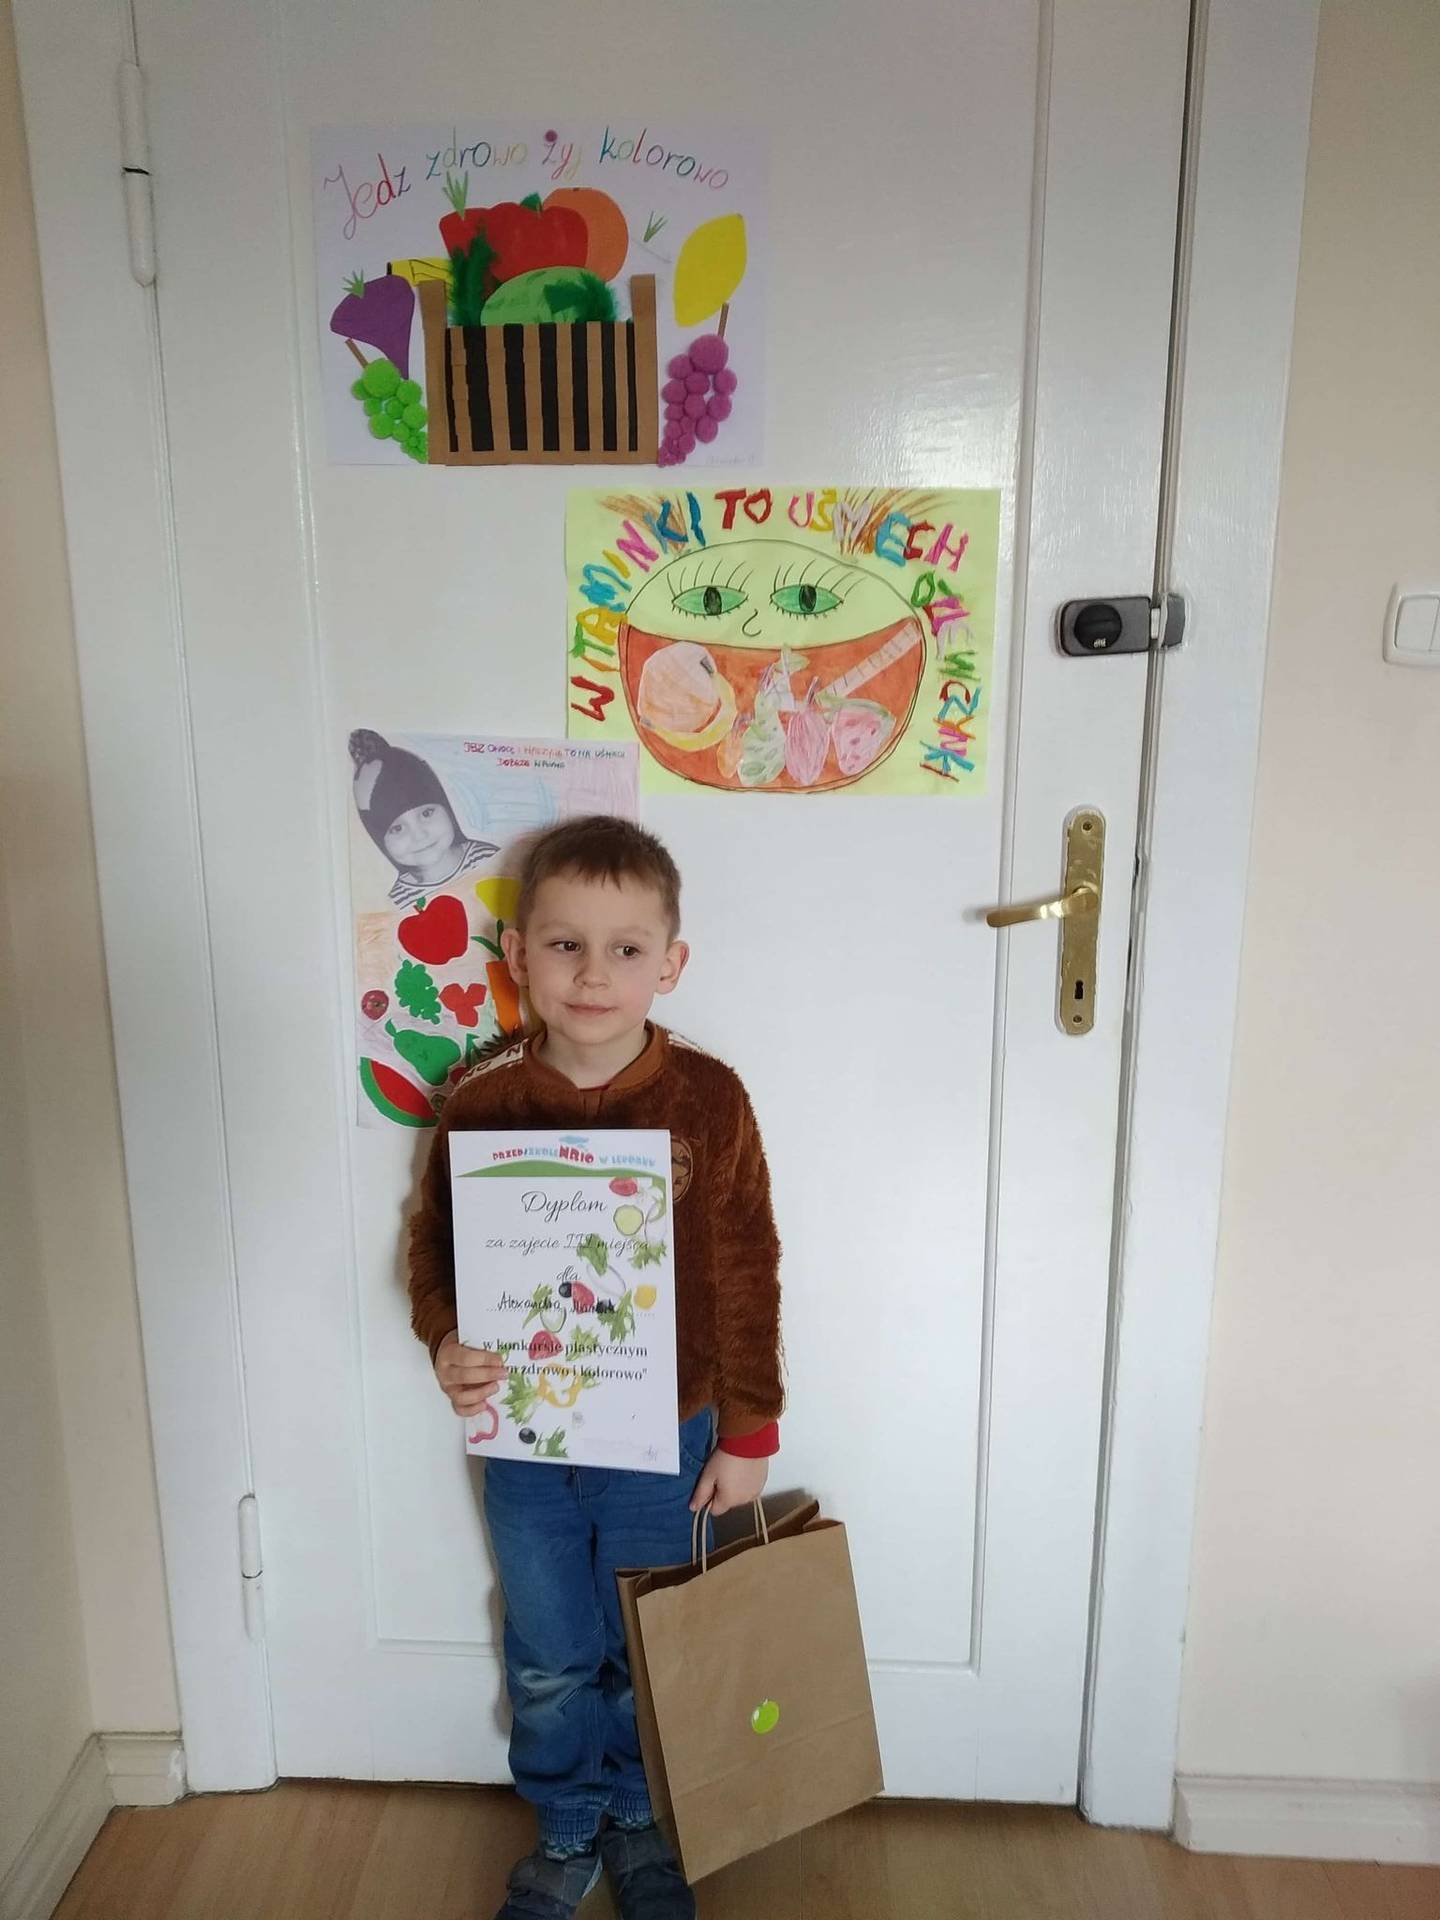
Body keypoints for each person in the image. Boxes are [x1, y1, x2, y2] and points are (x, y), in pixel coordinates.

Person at [407, 814, 784, 1920]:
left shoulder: (708, 1099)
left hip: (670, 1437)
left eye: (626, 949)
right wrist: (445, 1339)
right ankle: (566, 1823)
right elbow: (433, 1248)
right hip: (526, 1439)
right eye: (565, 944)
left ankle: (640, 1818)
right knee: (549, 1652)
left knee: (647, 1641)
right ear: (517, 956)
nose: (592, 974)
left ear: (671, 963)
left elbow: (748, 1264)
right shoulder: (483, 1100)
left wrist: (750, 1433)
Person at [349, 728, 498, 907]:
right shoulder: (396, 903)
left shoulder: (489, 861)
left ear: (447, 808)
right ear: (379, 839)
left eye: (427, 813)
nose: (420, 835)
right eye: (397, 828)